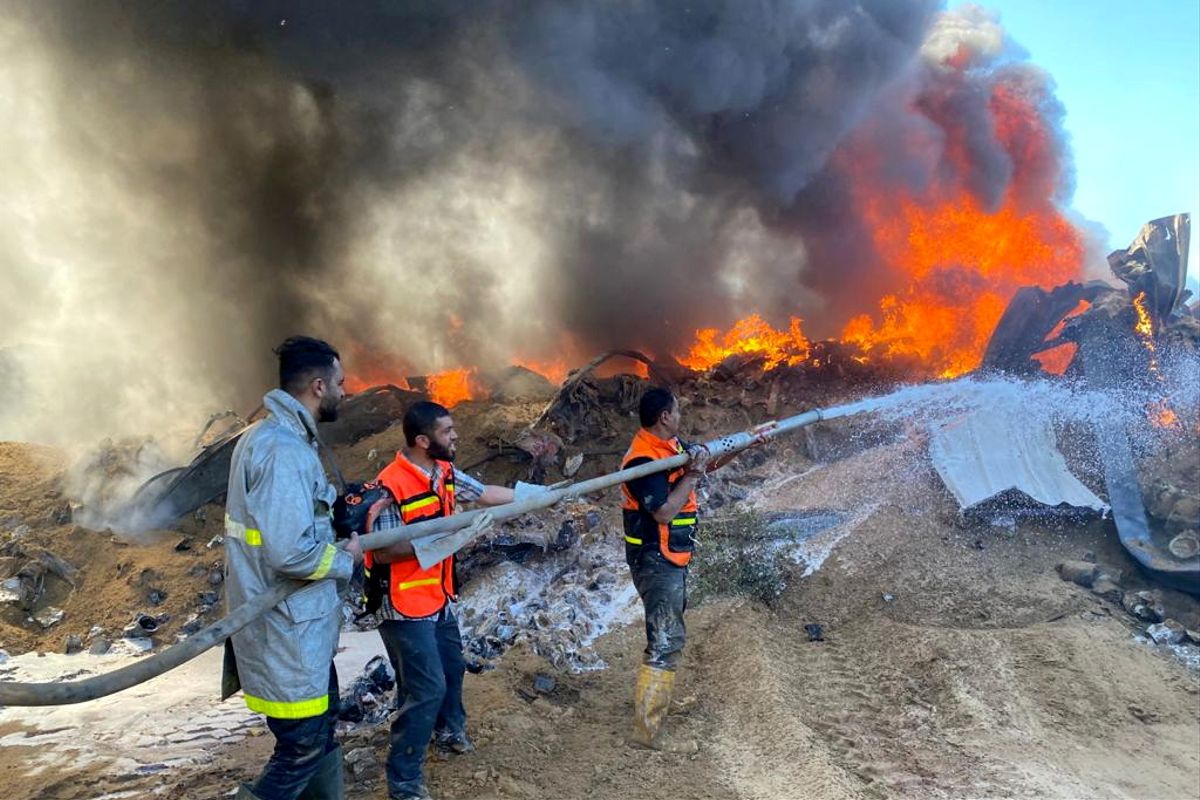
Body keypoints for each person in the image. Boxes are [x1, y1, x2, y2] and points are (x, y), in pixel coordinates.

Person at [369, 400, 543, 800]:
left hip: (439, 595)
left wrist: (535, 495)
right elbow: (383, 552)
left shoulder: (443, 471)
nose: (456, 435)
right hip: (402, 604)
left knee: (452, 667)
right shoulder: (390, 484)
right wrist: (443, 538)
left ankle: (449, 730)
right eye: (448, 431)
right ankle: (404, 779)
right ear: (422, 440)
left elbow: (483, 495)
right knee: (426, 687)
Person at [224, 336, 364, 800]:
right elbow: (289, 553)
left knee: (321, 730)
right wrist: (348, 559)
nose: (346, 392)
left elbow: (295, 525)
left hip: (300, 629)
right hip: (287, 631)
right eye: (341, 383)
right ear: (319, 386)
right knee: (301, 747)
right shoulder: (283, 449)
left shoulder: (276, 437)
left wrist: (333, 517)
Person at [620, 387, 753, 749]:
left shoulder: (669, 446)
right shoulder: (642, 461)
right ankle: (646, 734)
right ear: (664, 416)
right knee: (665, 640)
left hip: (671, 558)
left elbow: (703, 462)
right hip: (656, 560)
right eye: (677, 412)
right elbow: (662, 511)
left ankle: (653, 707)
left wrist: (745, 444)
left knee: (668, 634)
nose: (680, 417)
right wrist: (692, 476)